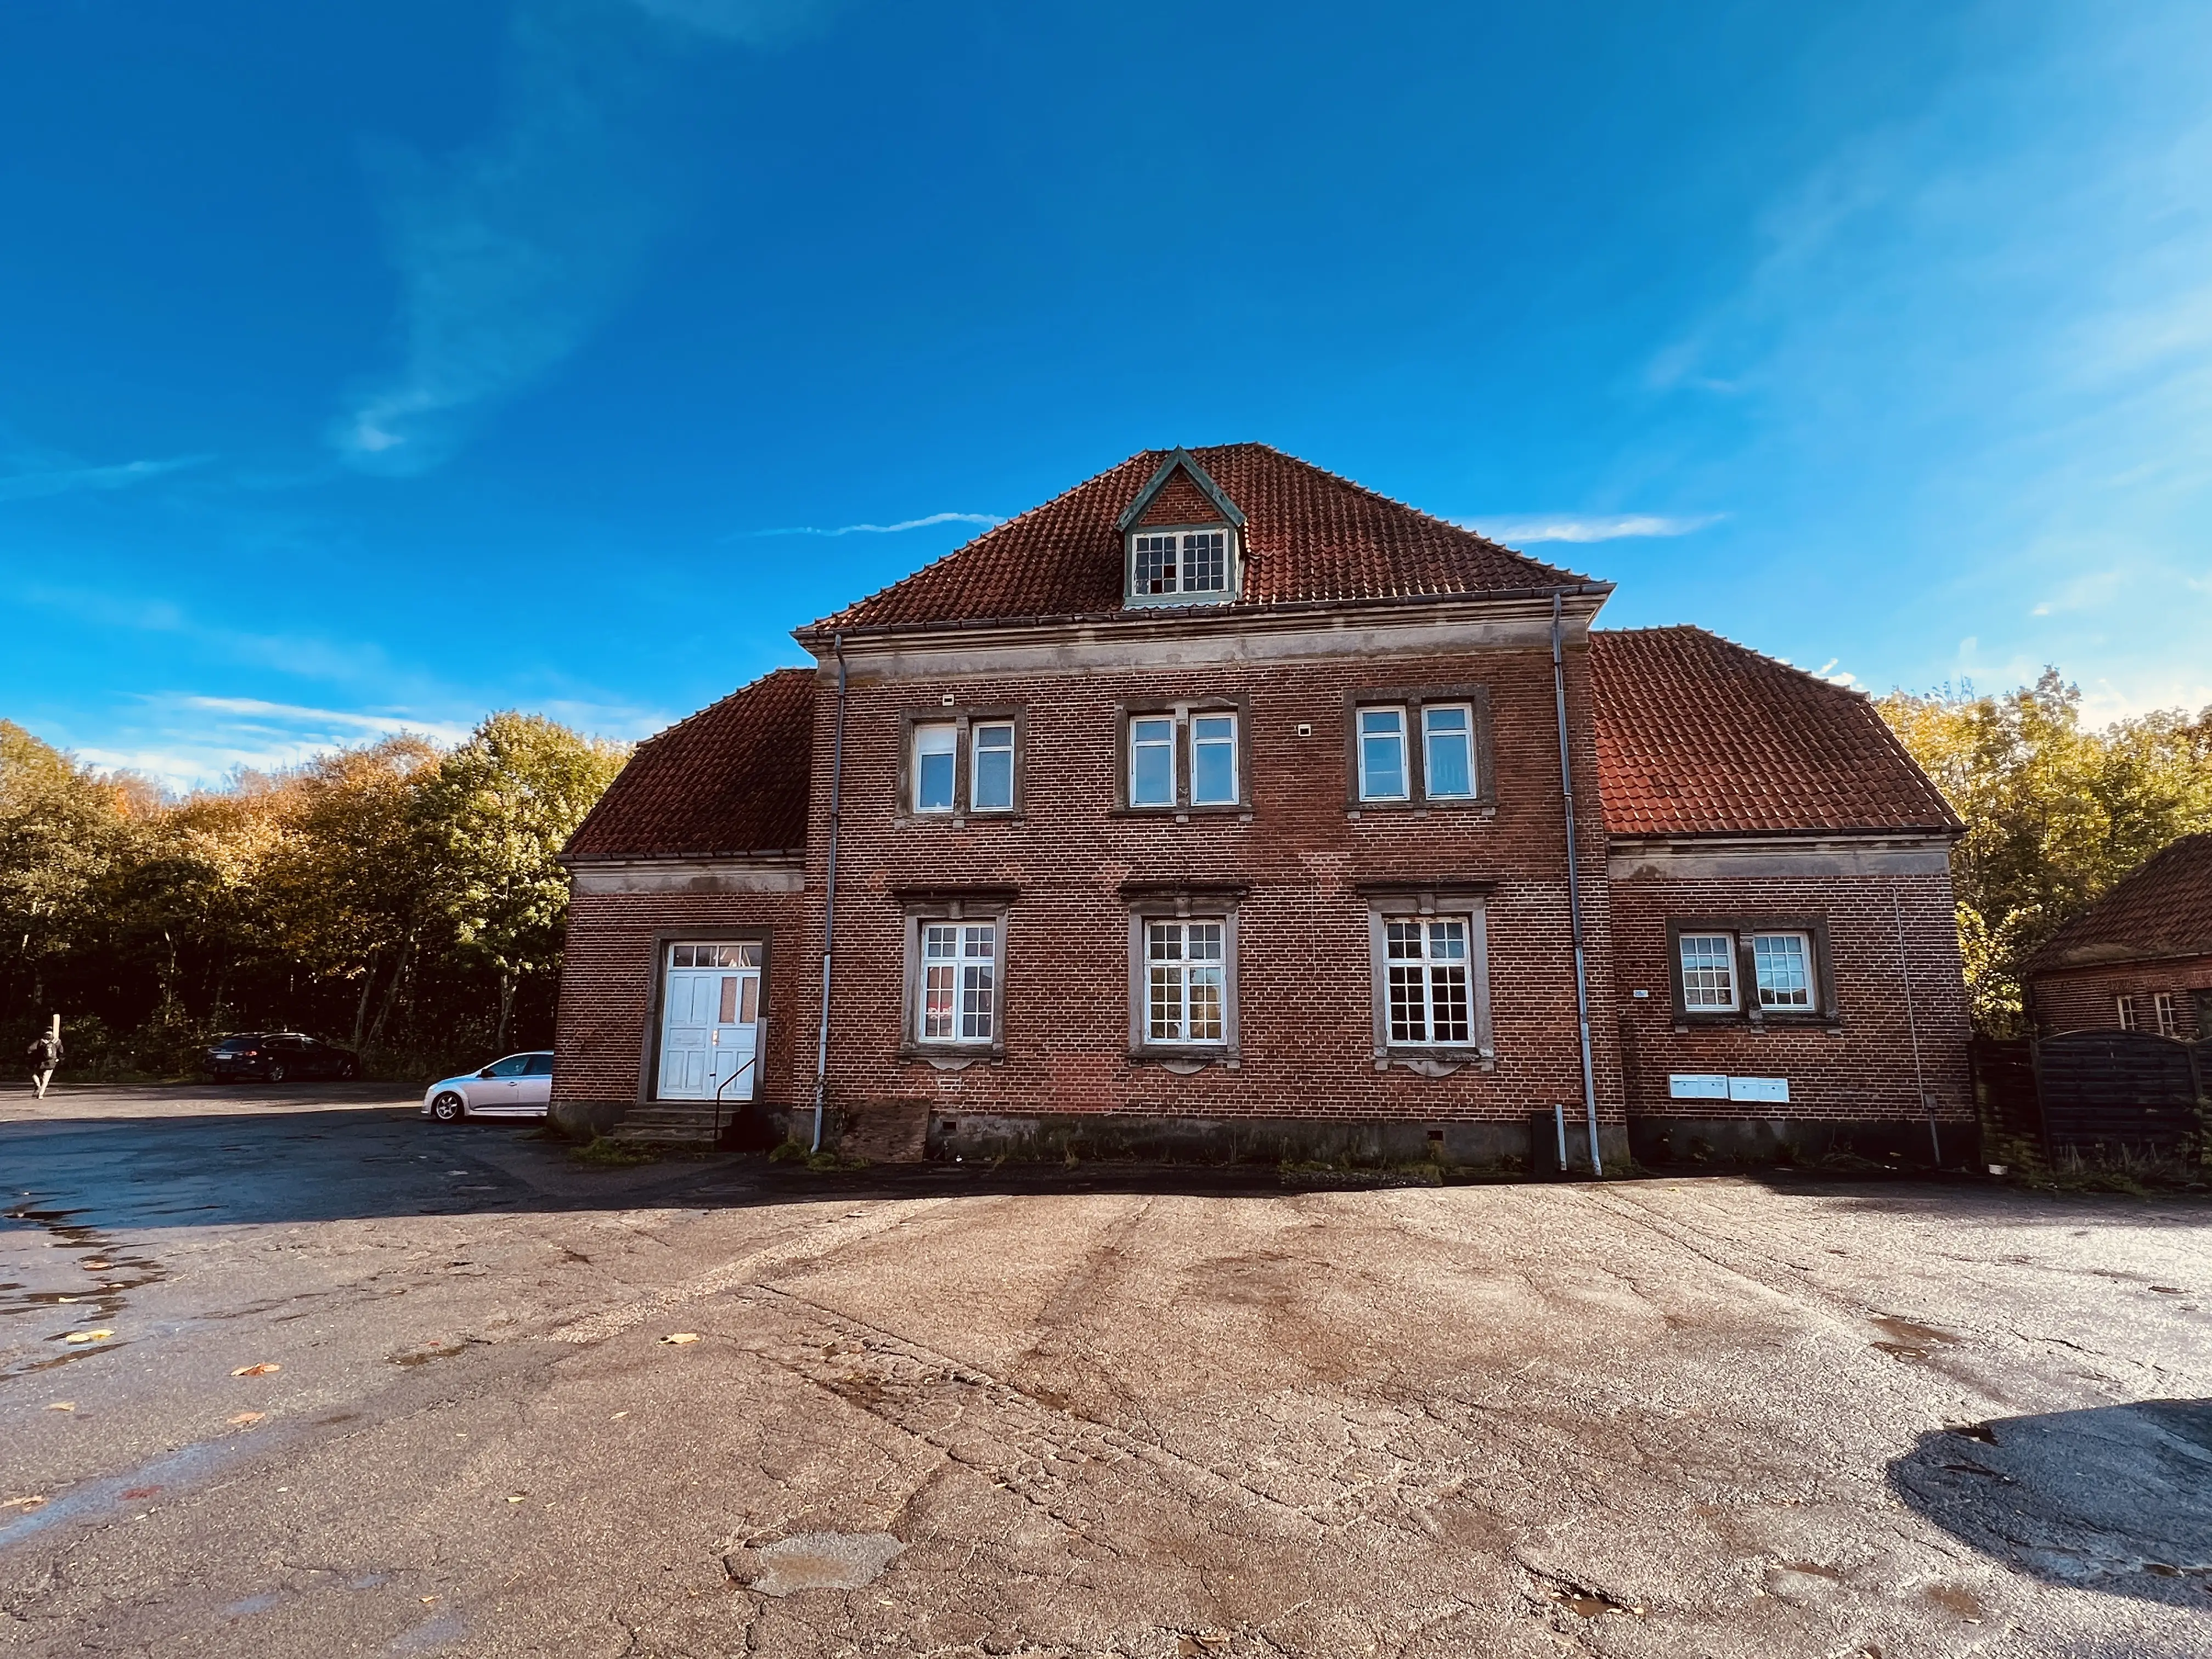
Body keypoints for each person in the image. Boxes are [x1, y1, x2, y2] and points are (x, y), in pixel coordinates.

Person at [27, 1027, 63, 1099]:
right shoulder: (57, 1042)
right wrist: (57, 1059)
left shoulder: (41, 1041)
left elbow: (30, 1049)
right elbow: (61, 1051)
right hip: (52, 1063)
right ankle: (41, 1094)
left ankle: (38, 1086)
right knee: (46, 1080)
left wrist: (32, 1056)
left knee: (34, 1075)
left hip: (41, 1063)